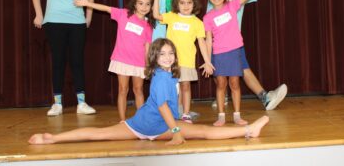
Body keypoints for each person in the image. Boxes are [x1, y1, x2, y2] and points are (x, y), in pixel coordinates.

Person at [28, 38, 270, 146]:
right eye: (162, 54)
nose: (167, 57)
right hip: (156, 126)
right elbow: (164, 106)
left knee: (101, 134)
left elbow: (162, 105)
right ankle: (249, 129)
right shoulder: (162, 77)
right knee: (205, 132)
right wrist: (175, 131)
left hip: (146, 124)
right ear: (154, 57)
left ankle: (53, 139)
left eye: (170, 53)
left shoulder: (163, 74)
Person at [167, 0, 298, 110]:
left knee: (242, 68)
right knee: (216, 68)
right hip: (213, 37)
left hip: (233, 40)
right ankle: (227, 96)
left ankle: (262, 97)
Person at [31, 0, 96, 116]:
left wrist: (88, 17)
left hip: (77, 23)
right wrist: (39, 14)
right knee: (58, 61)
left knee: (77, 62)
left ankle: (81, 104)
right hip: (55, 22)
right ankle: (57, 104)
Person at [203, 0, 277, 126]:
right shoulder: (207, 17)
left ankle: (237, 115)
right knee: (221, 84)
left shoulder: (232, 6)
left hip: (234, 51)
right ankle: (221, 116)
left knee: (235, 83)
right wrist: (208, 61)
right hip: (218, 54)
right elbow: (208, 39)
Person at [74, 0, 155, 121]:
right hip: (122, 60)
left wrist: (147, 65)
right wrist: (88, 3)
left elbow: (147, 47)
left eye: (147, 4)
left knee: (138, 90)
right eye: (141, 3)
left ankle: (142, 120)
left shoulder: (148, 25)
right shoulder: (123, 14)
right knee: (123, 89)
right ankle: (122, 120)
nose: (144, 7)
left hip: (139, 63)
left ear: (151, 7)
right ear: (134, 4)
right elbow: (105, 8)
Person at [151, 0, 214, 123]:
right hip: (169, 61)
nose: (186, 6)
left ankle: (185, 114)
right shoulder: (172, 16)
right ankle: (173, 112)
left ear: (194, 4)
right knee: (170, 88)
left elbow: (202, 42)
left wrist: (207, 61)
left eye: (189, 2)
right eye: (182, 3)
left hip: (187, 60)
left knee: (185, 86)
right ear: (177, 4)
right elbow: (156, 15)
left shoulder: (197, 22)